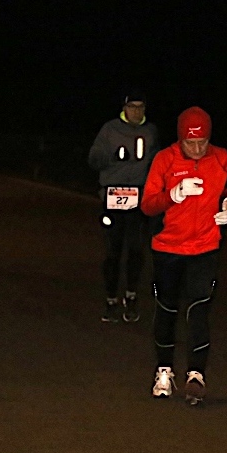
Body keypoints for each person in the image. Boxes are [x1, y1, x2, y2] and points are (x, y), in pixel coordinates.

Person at [140, 106, 227, 406]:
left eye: (202, 142)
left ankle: (196, 375)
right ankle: (164, 371)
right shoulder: (164, 160)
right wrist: (174, 194)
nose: (196, 149)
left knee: (199, 309)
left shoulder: (222, 159)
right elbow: (148, 204)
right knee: (166, 308)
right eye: (190, 143)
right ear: (180, 139)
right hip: (167, 248)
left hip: (204, 248)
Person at [88, 88, 160, 323]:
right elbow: (93, 159)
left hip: (138, 197)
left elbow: (157, 162)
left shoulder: (151, 131)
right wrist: (111, 156)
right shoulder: (110, 130)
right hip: (113, 196)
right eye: (132, 107)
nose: (136, 112)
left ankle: (131, 296)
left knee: (136, 249)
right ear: (124, 108)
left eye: (140, 107)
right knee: (113, 251)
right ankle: (111, 299)